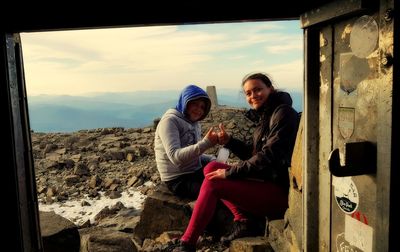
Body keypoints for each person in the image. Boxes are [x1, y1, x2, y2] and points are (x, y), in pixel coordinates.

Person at [171, 72, 299, 251]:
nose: (253, 96)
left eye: (258, 90)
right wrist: (229, 141)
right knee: (212, 167)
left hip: (278, 193)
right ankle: (243, 221)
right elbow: (254, 153)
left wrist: (230, 172)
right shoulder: (267, 115)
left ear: (270, 88)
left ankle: (188, 243)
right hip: (267, 181)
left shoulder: (283, 113)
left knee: (214, 182)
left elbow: (268, 156)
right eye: (248, 93)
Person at [154, 84, 219, 199]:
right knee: (216, 191)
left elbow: (192, 151)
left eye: (202, 107)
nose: (199, 110)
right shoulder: (170, 121)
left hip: (193, 170)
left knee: (225, 177)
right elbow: (176, 157)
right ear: (185, 102)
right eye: (194, 104)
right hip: (177, 179)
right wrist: (206, 143)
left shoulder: (194, 122)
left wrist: (211, 159)